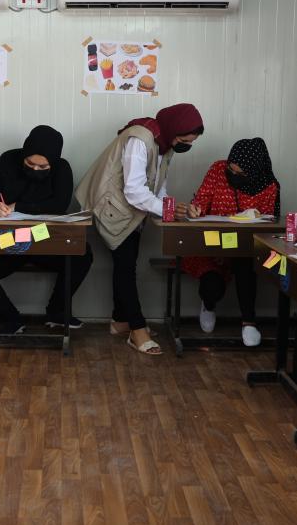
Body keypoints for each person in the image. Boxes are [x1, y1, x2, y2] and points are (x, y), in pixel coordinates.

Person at [76, 103, 203, 355]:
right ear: (172, 129)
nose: (185, 145)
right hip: (112, 206)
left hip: (128, 210)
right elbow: (134, 190)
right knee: (125, 268)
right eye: (183, 139)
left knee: (126, 263)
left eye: (190, 141)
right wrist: (165, 209)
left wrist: (173, 207)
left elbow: (158, 186)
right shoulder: (140, 139)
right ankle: (137, 329)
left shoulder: (165, 144)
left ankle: (120, 321)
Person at [0, 125, 93, 334]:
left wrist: (18, 207)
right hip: (9, 238)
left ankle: (57, 312)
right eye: (30, 164)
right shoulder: (8, 160)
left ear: (53, 163)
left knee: (82, 254)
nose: (35, 170)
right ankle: (12, 319)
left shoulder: (62, 168)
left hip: (42, 236)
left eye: (42, 167)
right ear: (24, 154)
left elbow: (59, 205)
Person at [181, 137, 280, 346]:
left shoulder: (269, 186)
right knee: (211, 285)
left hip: (245, 246)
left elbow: (269, 224)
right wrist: (195, 208)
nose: (232, 175)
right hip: (212, 243)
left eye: (239, 173)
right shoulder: (218, 169)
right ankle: (208, 305)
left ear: (253, 171)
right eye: (231, 170)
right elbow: (201, 199)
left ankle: (249, 321)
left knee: (246, 266)